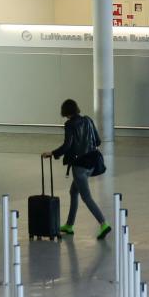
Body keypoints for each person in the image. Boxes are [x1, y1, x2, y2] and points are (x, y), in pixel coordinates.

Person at [41, 99, 111, 240]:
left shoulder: (70, 125)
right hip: (92, 164)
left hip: (80, 166)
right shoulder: (88, 120)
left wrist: (52, 153)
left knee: (86, 197)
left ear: (65, 112)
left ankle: (104, 224)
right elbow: (97, 141)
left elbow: (67, 146)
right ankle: (69, 225)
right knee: (73, 191)